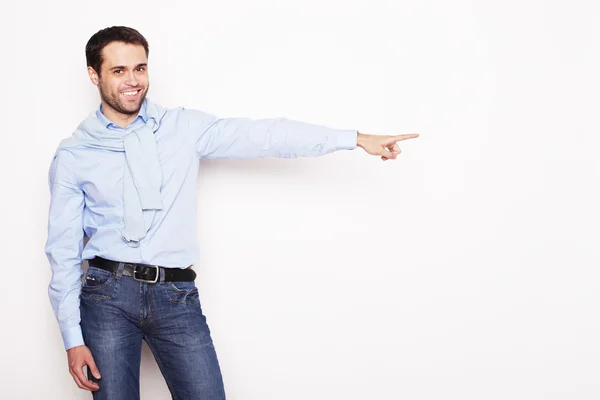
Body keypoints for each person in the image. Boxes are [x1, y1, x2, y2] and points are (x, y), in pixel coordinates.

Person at [44, 26, 419, 399]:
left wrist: (352, 139)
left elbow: (266, 135)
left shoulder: (183, 128)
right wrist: (72, 338)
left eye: (140, 68)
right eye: (119, 70)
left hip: (176, 295)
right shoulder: (75, 155)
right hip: (107, 297)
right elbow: (62, 252)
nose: (133, 80)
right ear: (94, 75)